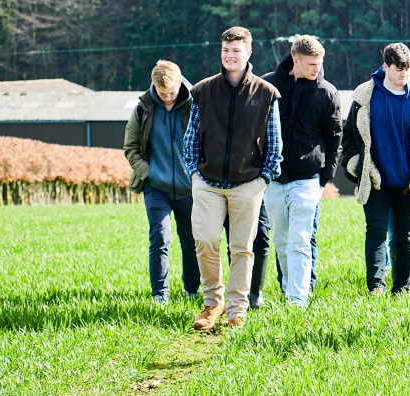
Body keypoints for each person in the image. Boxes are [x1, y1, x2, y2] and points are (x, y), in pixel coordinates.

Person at [183, 27, 282, 330]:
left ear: (248, 53)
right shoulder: (202, 90)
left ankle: (236, 309)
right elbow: (190, 138)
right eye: (226, 50)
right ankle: (212, 304)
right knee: (206, 240)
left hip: (247, 184)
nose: (230, 55)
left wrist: (263, 179)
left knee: (242, 248)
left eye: (236, 50)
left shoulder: (266, 93)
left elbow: (275, 143)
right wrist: (194, 172)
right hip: (208, 182)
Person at [340, 43, 410, 295]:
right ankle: (376, 285)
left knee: (405, 236)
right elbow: (350, 137)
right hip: (375, 181)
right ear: (385, 67)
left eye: (407, 69)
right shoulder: (364, 96)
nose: (404, 74)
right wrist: (357, 165)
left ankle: (402, 290)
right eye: (398, 69)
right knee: (375, 232)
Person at [261, 35, 342, 307]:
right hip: (272, 179)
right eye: (311, 64)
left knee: (300, 240)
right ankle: (288, 290)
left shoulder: (327, 93)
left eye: (320, 63)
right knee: (282, 242)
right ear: (295, 60)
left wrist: (325, 180)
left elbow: (334, 139)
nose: (317, 68)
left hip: (308, 178)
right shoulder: (267, 85)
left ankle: (298, 300)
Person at [123, 60, 199, 303]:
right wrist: (150, 173)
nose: (167, 98)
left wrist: (197, 174)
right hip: (156, 187)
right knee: (160, 238)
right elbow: (131, 148)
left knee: (190, 240)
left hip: (189, 188)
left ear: (180, 83)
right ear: (154, 87)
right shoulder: (142, 109)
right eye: (162, 93)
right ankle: (159, 295)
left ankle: (191, 289)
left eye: (172, 93)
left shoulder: (195, 106)